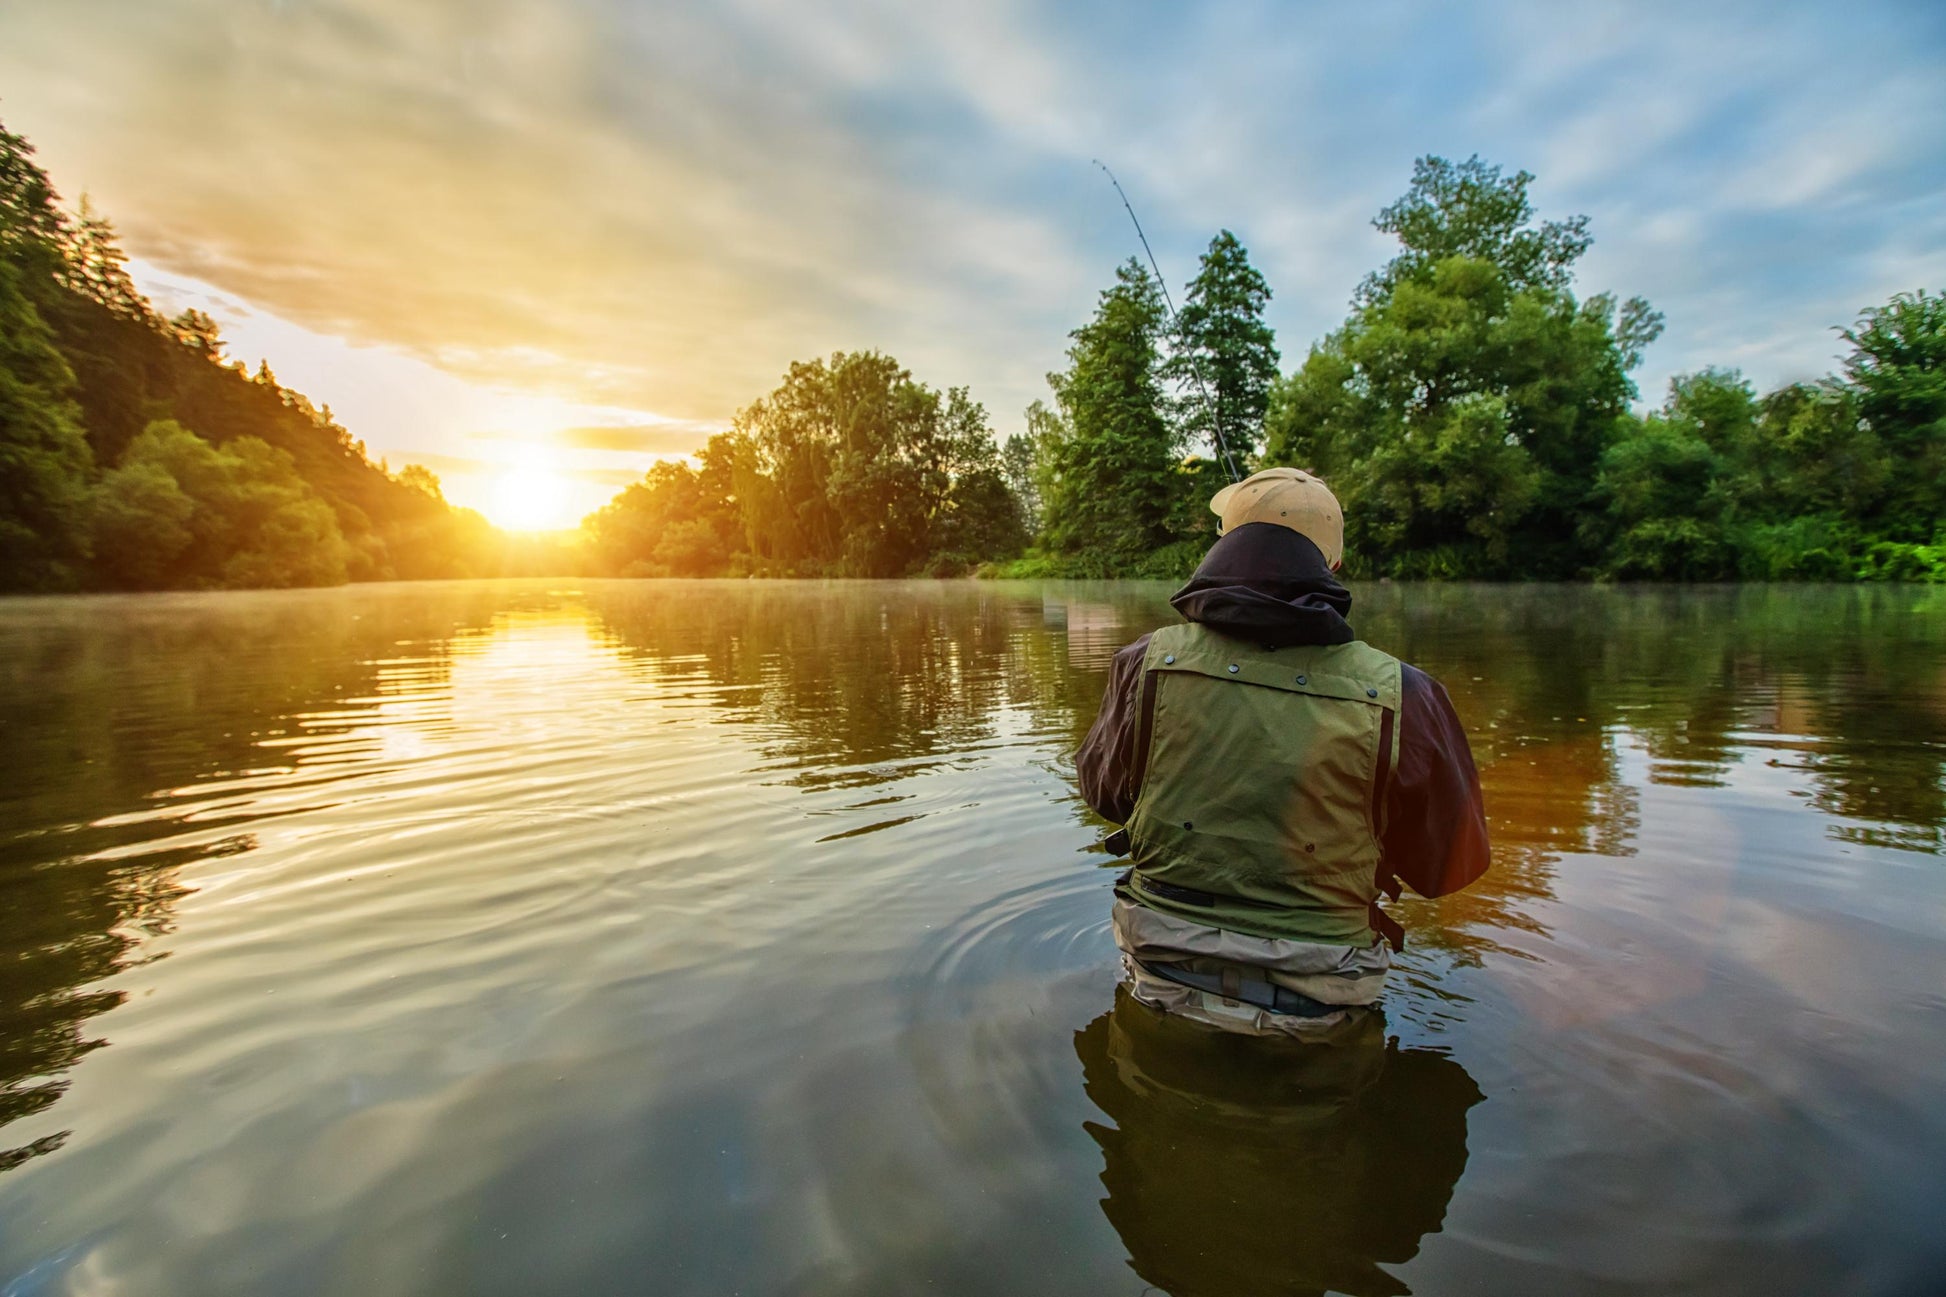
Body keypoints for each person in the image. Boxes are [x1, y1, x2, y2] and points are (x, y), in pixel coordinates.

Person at [1076, 467, 1490, 1036]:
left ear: (1221, 547)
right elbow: (1450, 869)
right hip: (1325, 998)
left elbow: (1105, 796)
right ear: (1333, 566)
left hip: (1160, 974)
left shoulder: (1141, 664)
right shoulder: (1408, 694)